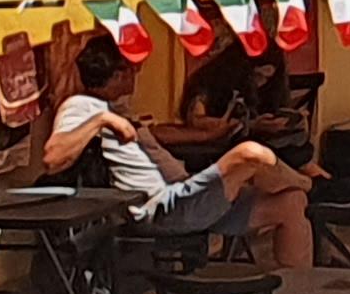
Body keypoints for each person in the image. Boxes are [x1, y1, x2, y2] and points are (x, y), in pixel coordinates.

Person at [29, 33, 316, 269]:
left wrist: (205, 132)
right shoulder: (81, 106)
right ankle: (310, 182)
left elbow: (157, 135)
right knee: (250, 154)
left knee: (291, 203)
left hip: (186, 195)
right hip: (162, 208)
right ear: (119, 74)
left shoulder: (117, 109)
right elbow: (53, 158)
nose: (138, 74)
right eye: (133, 69)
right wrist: (101, 120)